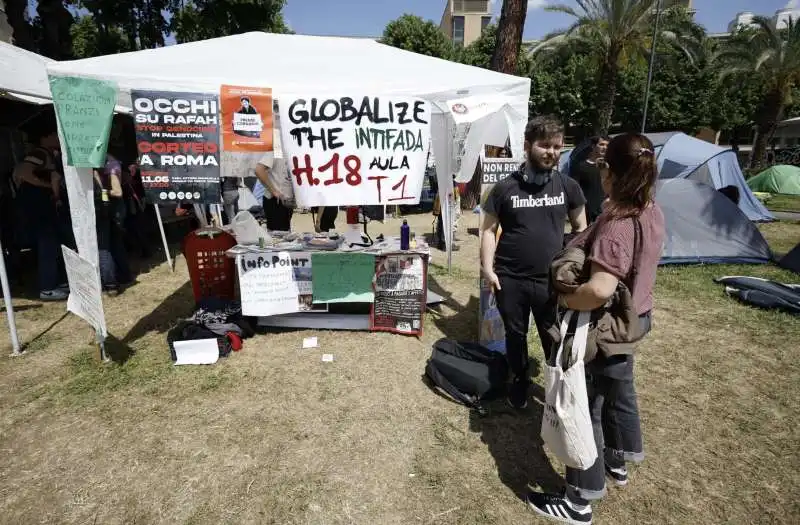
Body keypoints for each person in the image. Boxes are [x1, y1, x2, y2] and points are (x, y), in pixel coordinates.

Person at [526, 133, 665, 525]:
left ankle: (578, 500)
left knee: (584, 407)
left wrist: (568, 300)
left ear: (610, 174)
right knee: (617, 390)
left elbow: (600, 289)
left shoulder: (618, 226)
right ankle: (617, 463)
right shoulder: (651, 210)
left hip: (604, 328)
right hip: (635, 319)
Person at [480, 115, 587, 409]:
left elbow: (581, 230)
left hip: (550, 281)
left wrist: (572, 266)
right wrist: (488, 269)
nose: (551, 152)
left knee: (552, 334)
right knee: (515, 334)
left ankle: (557, 386)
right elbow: (488, 230)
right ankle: (520, 379)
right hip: (509, 277)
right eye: (544, 145)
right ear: (527, 146)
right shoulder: (504, 189)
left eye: (557, 146)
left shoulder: (569, 187)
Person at [12, 125, 70, 301]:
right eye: (54, 134)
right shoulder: (39, 153)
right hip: (38, 209)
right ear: (44, 137)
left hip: (44, 208)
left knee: (53, 245)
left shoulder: (48, 154)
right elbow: (22, 171)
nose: (58, 138)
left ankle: (57, 282)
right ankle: (47, 287)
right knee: (47, 245)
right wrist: (46, 186)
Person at [254, 132, 294, 231]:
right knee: (278, 237)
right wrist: (273, 191)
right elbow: (259, 170)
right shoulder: (276, 150)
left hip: (286, 202)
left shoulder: (291, 151)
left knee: (284, 234)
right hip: (275, 201)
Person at [570, 135, 609, 223]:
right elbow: (574, 189)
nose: (605, 148)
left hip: (605, 209)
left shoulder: (610, 167)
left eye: (607, 145)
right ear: (593, 146)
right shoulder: (581, 166)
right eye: (602, 144)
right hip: (586, 210)